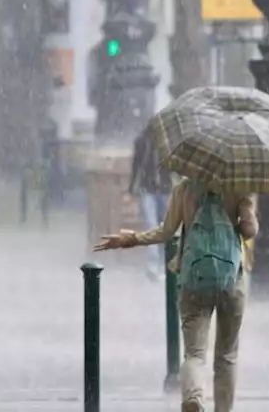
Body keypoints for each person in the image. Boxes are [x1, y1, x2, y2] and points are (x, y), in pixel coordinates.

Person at [94, 178, 258, 412]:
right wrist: (244, 214)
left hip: (194, 277)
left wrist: (132, 239)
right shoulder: (239, 185)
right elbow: (249, 230)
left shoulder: (186, 187)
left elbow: (167, 231)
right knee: (227, 355)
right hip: (231, 278)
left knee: (194, 353)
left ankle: (194, 397)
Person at [128, 127, 174, 281]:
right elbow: (136, 165)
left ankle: (163, 264)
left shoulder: (169, 142)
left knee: (164, 227)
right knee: (152, 226)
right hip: (149, 189)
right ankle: (154, 266)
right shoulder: (142, 141)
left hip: (164, 190)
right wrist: (132, 188)